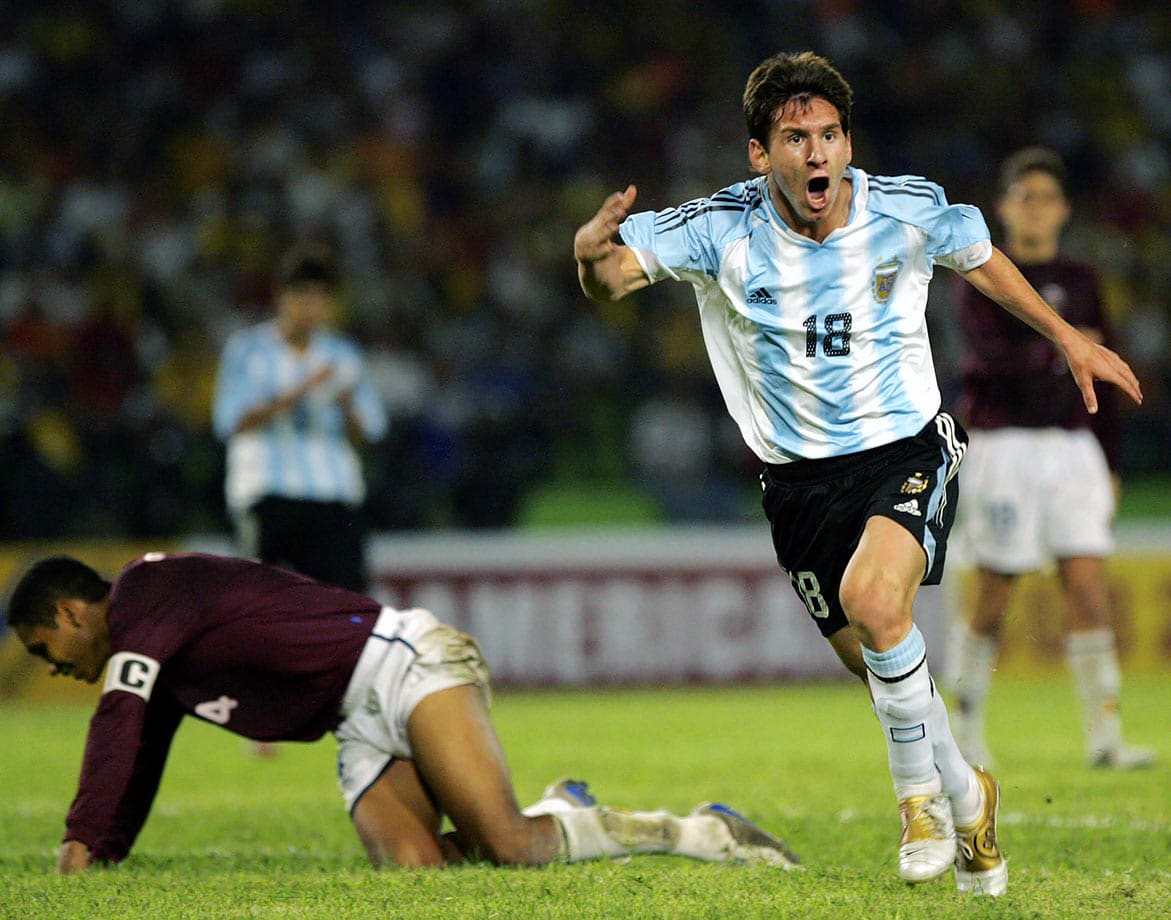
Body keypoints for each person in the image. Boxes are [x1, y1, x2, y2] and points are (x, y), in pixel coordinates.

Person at [573, 51, 1143, 897]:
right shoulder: (718, 228)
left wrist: (1068, 337)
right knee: (873, 658)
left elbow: (979, 256)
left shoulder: (903, 208)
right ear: (759, 155)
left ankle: (918, 805)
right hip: (797, 485)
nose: (817, 154)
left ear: (847, 142)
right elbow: (614, 277)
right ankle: (964, 788)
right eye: (795, 138)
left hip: (905, 451)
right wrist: (588, 257)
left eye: (830, 135)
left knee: (881, 607)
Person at [4, 551, 801, 874]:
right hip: (354, 724)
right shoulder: (156, 648)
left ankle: (696, 833)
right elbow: (139, 750)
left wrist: (74, 837)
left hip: (402, 663)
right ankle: (566, 809)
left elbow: (116, 721)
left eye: (47, 649)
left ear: (74, 613)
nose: (54, 668)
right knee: (417, 875)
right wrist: (103, 850)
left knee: (513, 848)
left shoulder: (145, 597)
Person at [947, 147, 1155, 771]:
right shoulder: (984, 275)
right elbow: (988, 360)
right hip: (1003, 446)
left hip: (1073, 447)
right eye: (1024, 196)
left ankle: (1105, 737)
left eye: (1046, 197)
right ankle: (962, 730)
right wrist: (1064, 347)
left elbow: (1108, 374)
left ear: (1063, 209)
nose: (1035, 208)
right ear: (1005, 208)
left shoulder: (1085, 280)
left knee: (1088, 588)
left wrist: (1110, 460)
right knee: (993, 589)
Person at [212, 242, 387, 594]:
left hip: (333, 496)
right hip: (267, 494)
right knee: (261, 606)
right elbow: (230, 421)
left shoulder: (343, 354)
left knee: (345, 607)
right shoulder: (248, 349)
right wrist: (301, 389)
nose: (312, 304)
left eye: (323, 295)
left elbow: (372, 430)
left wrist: (346, 404)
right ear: (282, 296)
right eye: (303, 293)